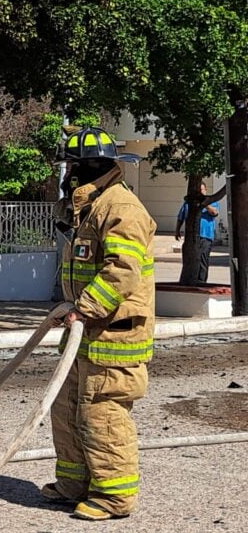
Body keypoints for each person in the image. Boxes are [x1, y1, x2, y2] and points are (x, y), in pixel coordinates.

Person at [44, 126, 156, 520]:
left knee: (101, 414)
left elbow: (121, 271)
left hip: (113, 337)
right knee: (67, 408)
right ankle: (74, 485)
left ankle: (113, 497)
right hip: (85, 334)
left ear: (95, 166)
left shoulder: (121, 208)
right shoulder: (91, 206)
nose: (69, 176)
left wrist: (84, 308)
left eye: (74, 167)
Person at [175, 182, 220, 285]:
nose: (200, 192)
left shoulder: (211, 202)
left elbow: (214, 213)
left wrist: (204, 203)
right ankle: (188, 280)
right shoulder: (188, 203)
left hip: (205, 236)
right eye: (198, 191)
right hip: (191, 236)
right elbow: (180, 217)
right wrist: (177, 230)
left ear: (205, 191)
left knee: (203, 260)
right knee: (189, 259)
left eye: (202, 190)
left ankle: (201, 281)